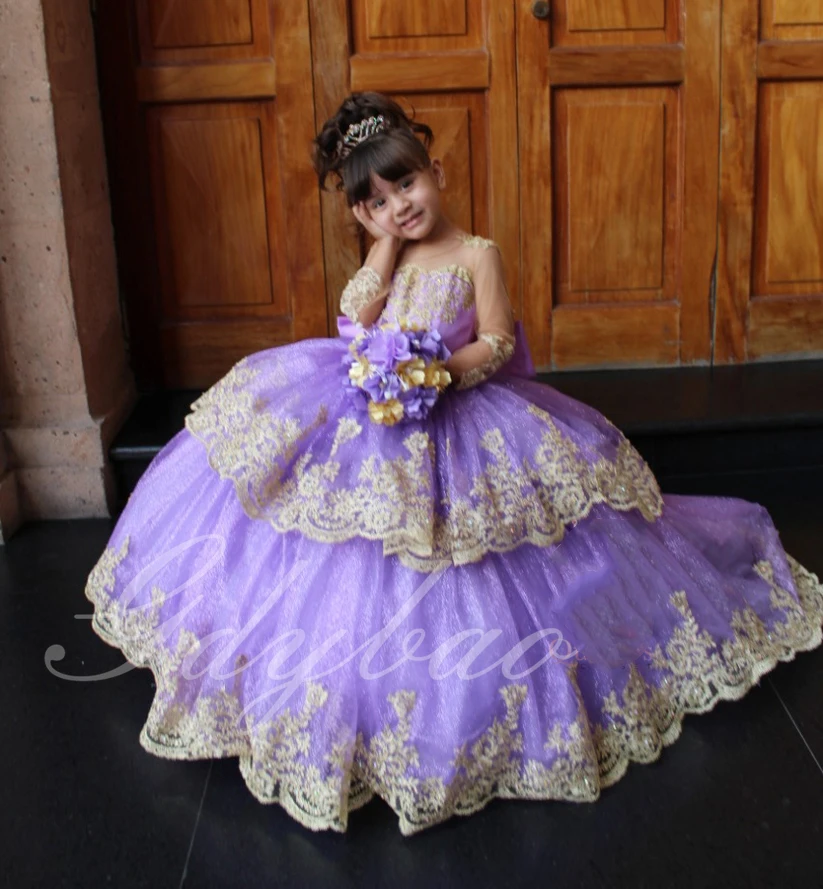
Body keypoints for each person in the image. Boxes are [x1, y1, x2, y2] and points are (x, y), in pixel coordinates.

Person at [84, 91, 823, 837]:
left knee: (479, 551)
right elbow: (354, 317)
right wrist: (381, 257)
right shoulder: (388, 250)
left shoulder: (477, 255)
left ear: (434, 170)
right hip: (371, 417)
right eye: (373, 202)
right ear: (359, 215)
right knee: (334, 528)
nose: (398, 206)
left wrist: (435, 369)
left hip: (455, 412)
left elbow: (498, 341)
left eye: (406, 184)